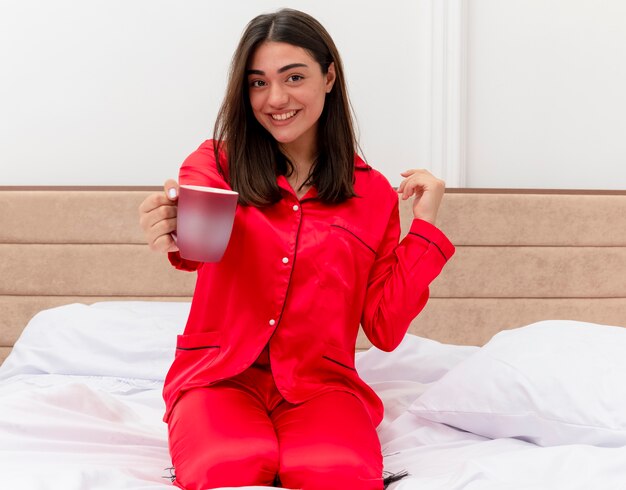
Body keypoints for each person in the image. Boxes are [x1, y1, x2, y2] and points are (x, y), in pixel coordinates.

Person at [139, 8, 454, 490]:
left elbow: (385, 329)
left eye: (293, 77)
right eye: (258, 83)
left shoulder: (371, 196)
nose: (276, 98)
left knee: (338, 475)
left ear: (329, 77)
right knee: (231, 466)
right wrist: (173, 220)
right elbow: (197, 245)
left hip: (321, 386)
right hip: (219, 375)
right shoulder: (215, 162)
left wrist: (425, 227)